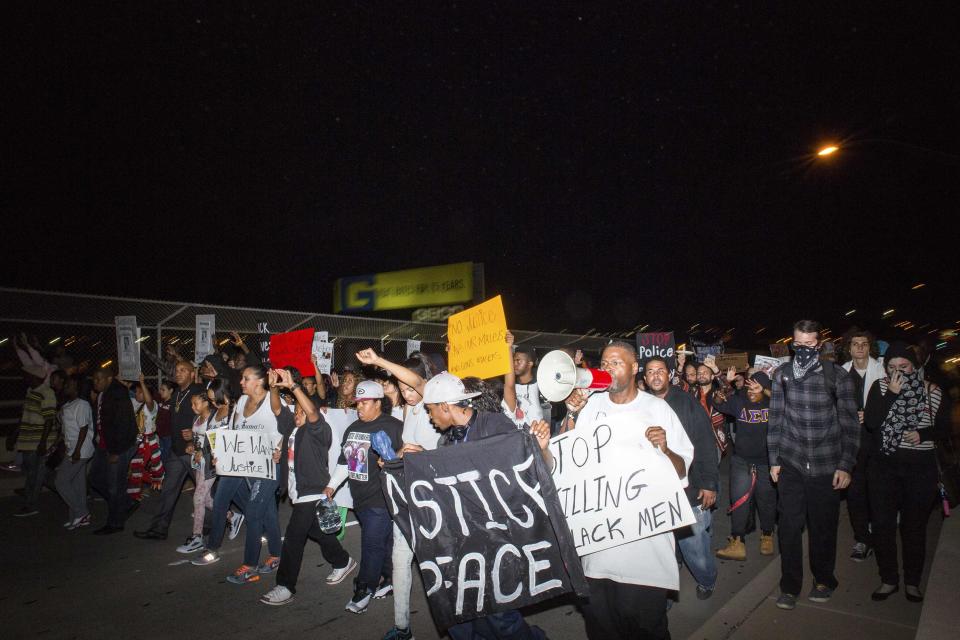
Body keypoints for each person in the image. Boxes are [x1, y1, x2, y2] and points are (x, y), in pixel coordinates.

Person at [562, 342, 693, 639]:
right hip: (598, 554)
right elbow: (565, 464)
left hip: (645, 556)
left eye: (616, 363)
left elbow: (682, 471)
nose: (608, 368)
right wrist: (571, 415)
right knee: (602, 629)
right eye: (605, 363)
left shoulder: (657, 408)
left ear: (635, 369)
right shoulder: (589, 405)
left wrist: (666, 449)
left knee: (646, 630)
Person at [418, 371, 550, 640]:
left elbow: (524, 476)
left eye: (431, 410)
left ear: (446, 407)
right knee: (462, 616)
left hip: (498, 540)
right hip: (464, 542)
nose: (430, 417)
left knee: (500, 618)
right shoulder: (446, 440)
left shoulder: (496, 427)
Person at [768, 320, 859, 610]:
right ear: (791, 343)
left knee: (822, 527)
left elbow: (850, 425)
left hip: (826, 464)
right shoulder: (782, 375)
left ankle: (823, 579)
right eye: (798, 344)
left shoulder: (837, 377)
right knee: (789, 528)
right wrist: (773, 460)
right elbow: (776, 420)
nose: (803, 349)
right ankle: (790, 586)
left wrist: (846, 464)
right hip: (791, 463)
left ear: (818, 344)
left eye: (810, 344)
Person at [355, 348, 437, 640]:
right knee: (400, 558)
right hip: (408, 494)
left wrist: (378, 361)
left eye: (410, 388)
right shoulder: (408, 408)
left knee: (439, 565)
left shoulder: (435, 399)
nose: (407, 394)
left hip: (436, 499)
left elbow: (444, 451)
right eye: (402, 390)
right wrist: (392, 457)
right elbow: (408, 445)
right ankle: (403, 627)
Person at [259, 370, 355, 606]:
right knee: (317, 531)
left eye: (301, 411)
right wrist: (273, 387)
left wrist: (293, 387)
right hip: (298, 492)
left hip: (313, 490)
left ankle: (285, 586)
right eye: (297, 412)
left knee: (293, 538)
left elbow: (312, 412)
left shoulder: (318, 430)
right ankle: (342, 561)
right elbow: (277, 409)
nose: (298, 414)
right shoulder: (293, 429)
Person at [864, 342, 950, 603]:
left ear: (915, 366)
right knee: (882, 526)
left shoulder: (932, 391)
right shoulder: (880, 387)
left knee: (914, 528)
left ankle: (912, 581)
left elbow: (946, 430)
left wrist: (923, 433)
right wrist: (891, 394)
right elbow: (871, 422)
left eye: (904, 366)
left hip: (919, 469)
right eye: (892, 367)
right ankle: (888, 579)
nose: (898, 371)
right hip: (884, 466)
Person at [194, 365, 285, 584]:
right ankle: (276, 553)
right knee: (254, 508)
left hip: (268, 466)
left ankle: (250, 565)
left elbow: (285, 429)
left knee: (255, 512)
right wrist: (221, 455)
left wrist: (279, 449)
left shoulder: (274, 404)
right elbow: (234, 435)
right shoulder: (242, 402)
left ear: (259, 381)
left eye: (246, 378)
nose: (241, 382)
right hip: (240, 463)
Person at [642, 355, 719, 599]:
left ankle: (707, 580)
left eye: (660, 371)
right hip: (654, 492)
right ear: (644, 378)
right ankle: (664, 593)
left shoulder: (687, 403)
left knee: (694, 546)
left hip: (689, 489)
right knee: (660, 550)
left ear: (670, 375)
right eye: (651, 372)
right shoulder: (639, 406)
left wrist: (709, 484)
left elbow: (706, 444)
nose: (655, 375)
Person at [324, 380, 404, 613]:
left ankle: (364, 589)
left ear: (378, 403)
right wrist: (331, 486)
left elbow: (410, 457)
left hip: (381, 499)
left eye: (365, 402)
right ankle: (389, 580)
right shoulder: (353, 429)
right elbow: (345, 462)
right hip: (359, 498)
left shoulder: (395, 427)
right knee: (385, 542)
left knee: (371, 545)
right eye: (358, 403)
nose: (359, 407)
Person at [134, 360, 205, 541]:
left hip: (192, 451)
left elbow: (208, 416)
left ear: (192, 373)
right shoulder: (178, 393)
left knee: (206, 492)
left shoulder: (197, 391)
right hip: (176, 450)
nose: (178, 373)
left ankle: (224, 518)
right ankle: (158, 529)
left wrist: (194, 432)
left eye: (183, 370)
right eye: (177, 370)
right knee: (168, 491)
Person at [713, 369, 777, 560]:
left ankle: (767, 536)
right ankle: (737, 542)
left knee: (766, 501)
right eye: (749, 387)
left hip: (767, 462)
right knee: (739, 501)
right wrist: (724, 386)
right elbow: (717, 403)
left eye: (756, 388)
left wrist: (765, 390)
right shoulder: (740, 403)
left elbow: (790, 403)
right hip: (742, 461)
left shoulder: (773, 404)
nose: (751, 391)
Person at [841, 328, 885, 562]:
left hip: (875, 439)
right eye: (855, 343)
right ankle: (862, 539)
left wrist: (869, 414)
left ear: (870, 347)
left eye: (864, 343)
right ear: (848, 348)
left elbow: (892, 404)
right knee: (855, 492)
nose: (859, 347)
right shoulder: (842, 372)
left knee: (877, 491)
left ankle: (880, 536)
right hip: (850, 440)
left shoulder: (882, 370)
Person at [89, 367, 139, 534]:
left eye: (98, 379)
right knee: (95, 478)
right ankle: (126, 503)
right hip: (105, 445)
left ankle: (116, 522)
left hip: (119, 446)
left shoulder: (118, 392)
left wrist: (116, 451)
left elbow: (124, 423)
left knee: (114, 486)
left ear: (109, 379)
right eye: (94, 379)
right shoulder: (103, 393)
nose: (95, 382)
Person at [12, 362, 58, 517]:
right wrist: (15, 434)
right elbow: (25, 416)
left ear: (33, 376)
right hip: (29, 440)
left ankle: (30, 504)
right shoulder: (31, 391)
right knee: (41, 474)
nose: (24, 378)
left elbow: (49, 419)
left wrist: (43, 442)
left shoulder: (46, 392)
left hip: (38, 440)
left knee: (36, 474)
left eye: (26, 375)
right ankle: (71, 490)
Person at [55, 374, 95, 529]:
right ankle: (77, 517)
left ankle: (81, 512)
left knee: (61, 482)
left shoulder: (82, 404)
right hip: (73, 448)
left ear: (77, 388)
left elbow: (83, 429)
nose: (66, 387)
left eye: (69, 385)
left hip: (81, 450)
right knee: (78, 484)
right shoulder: (68, 404)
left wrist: (77, 451)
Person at [124, 375, 163, 504]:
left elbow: (149, 401)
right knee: (136, 467)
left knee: (140, 466)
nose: (137, 393)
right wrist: (126, 386)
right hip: (138, 440)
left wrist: (142, 383)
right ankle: (137, 492)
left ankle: (161, 483)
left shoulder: (151, 406)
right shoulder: (135, 403)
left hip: (148, 440)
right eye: (137, 391)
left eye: (140, 392)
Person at [503, 341, 544, 426]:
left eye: (518, 361)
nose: (514, 364)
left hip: (537, 436)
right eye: (513, 361)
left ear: (530, 364)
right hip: (515, 437)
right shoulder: (509, 387)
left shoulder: (541, 386)